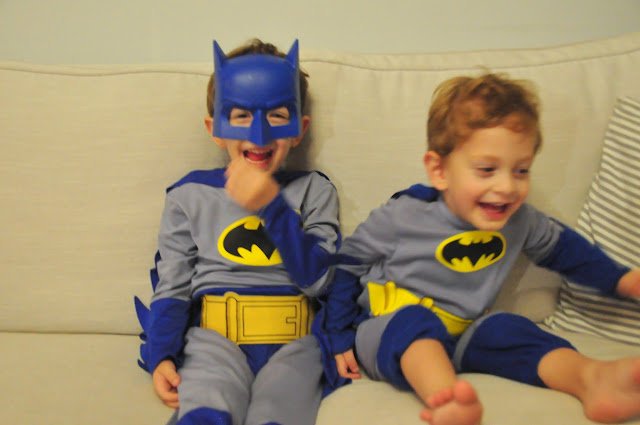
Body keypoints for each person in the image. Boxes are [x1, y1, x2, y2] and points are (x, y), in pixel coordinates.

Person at [322, 72, 640, 425]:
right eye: (487, 169)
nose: (507, 187)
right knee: (414, 323)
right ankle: (447, 398)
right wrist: (338, 336)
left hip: (465, 334)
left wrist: (621, 279)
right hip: (387, 330)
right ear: (439, 170)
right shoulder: (404, 215)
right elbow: (347, 263)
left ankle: (590, 378)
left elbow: (567, 251)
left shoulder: (520, 220)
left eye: (521, 170)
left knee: (506, 327)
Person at [134, 38, 342, 425]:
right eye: (241, 115)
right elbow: (173, 283)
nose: (259, 135)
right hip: (214, 343)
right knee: (206, 408)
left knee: (279, 410)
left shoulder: (315, 190)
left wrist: (273, 207)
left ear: (299, 129)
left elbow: (321, 280)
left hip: (295, 345)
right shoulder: (189, 195)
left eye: (277, 115)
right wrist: (162, 355)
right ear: (215, 129)